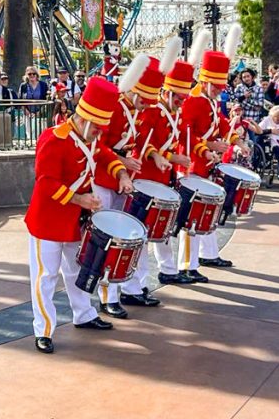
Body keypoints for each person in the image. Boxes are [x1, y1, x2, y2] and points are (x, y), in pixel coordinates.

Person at [25, 78, 132, 354]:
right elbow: (45, 182)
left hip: (74, 219)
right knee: (45, 276)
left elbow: (105, 154)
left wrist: (121, 172)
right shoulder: (54, 138)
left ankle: (83, 314)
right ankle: (44, 330)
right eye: (97, 126)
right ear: (83, 118)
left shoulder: (89, 139)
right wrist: (80, 198)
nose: (99, 133)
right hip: (47, 220)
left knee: (76, 271)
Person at [93, 54, 166, 318]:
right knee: (110, 239)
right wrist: (123, 162)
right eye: (145, 100)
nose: (148, 106)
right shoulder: (114, 107)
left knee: (131, 236)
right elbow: (98, 145)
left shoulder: (135, 111)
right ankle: (107, 296)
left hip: (124, 177)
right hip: (105, 177)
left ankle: (132, 287)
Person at [180, 49, 251, 277]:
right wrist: (209, 147)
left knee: (208, 211)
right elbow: (185, 134)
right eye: (218, 86)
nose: (221, 90)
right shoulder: (193, 100)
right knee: (192, 217)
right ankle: (187, 265)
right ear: (207, 82)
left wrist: (237, 141)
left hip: (206, 164)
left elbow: (220, 125)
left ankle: (208, 254)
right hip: (192, 165)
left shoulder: (209, 100)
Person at [133, 58, 195, 285]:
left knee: (163, 226)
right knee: (145, 231)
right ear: (167, 93)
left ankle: (168, 269)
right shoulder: (152, 112)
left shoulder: (175, 113)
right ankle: (139, 283)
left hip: (161, 176)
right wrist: (168, 157)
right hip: (145, 175)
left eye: (183, 98)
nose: (181, 102)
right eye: (178, 98)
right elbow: (140, 142)